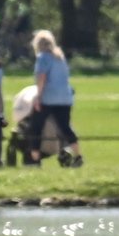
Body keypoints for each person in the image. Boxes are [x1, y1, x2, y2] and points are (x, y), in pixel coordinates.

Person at [25, 29, 83, 166]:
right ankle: (78, 156)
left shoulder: (42, 58)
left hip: (48, 98)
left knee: (35, 127)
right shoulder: (60, 57)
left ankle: (35, 158)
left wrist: (38, 97)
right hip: (65, 98)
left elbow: (42, 78)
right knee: (65, 127)